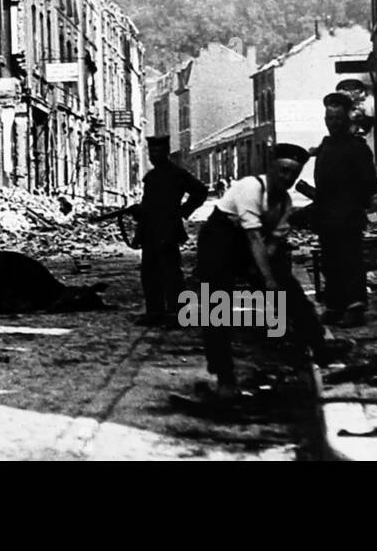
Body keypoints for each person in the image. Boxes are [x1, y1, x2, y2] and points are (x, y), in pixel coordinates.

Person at [193, 144, 327, 399]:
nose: (287, 178)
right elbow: (254, 238)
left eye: (293, 175)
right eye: (283, 170)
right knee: (217, 305)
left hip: (247, 244)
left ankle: (319, 345)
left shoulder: (284, 203)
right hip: (218, 240)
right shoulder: (250, 188)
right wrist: (266, 280)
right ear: (271, 168)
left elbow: (272, 246)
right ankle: (225, 379)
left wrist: (272, 282)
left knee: (289, 289)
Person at [295, 92, 377, 327]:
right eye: (329, 119)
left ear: (347, 120)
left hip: (348, 215)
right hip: (327, 216)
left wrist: (353, 203)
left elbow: (373, 182)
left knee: (350, 260)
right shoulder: (325, 147)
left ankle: (355, 307)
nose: (333, 124)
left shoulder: (357, 148)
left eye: (338, 119)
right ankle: (335, 305)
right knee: (330, 261)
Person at [132, 135, 209, 326]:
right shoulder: (150, 177)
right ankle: (155, 311)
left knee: (171, 273)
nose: (153, 155)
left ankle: (178, 314)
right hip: (150, 231)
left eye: (157, 151)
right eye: (151, 151)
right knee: (149, 273)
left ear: (166, 153)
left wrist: (183, 211)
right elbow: (148, 206)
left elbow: (200, 191)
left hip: (167, 230)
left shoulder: (177, 173)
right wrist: (138, 217)